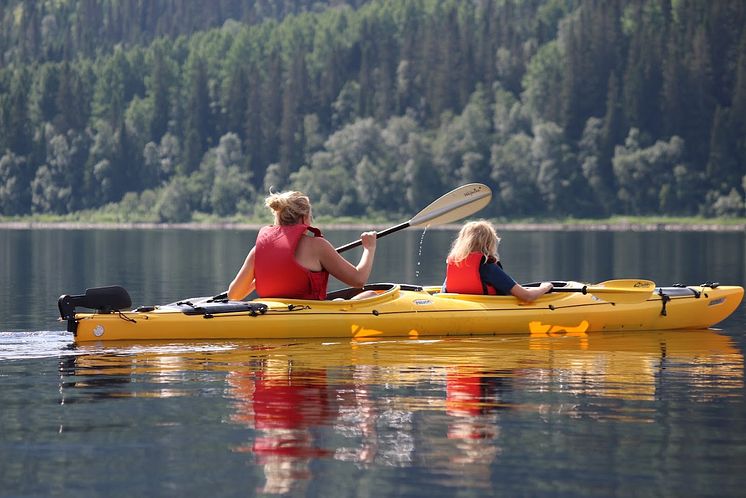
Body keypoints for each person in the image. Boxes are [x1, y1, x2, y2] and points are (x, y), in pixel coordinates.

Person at [228, 191, 377, 301]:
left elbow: (233, 295)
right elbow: (358, 280)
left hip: (270, 314)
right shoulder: (317, 246)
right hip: (308, 315)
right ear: (305, 218)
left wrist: (259, 280)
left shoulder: (258, 250)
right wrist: (369, 248)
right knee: (370, 295)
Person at [443, 220, 552, 302]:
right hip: (486, 311)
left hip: (458, 307)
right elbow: (527, 296)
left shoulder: (455, 262)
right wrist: (545, 287)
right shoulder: (487, 266)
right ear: (488, 243)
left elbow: (444, 293)